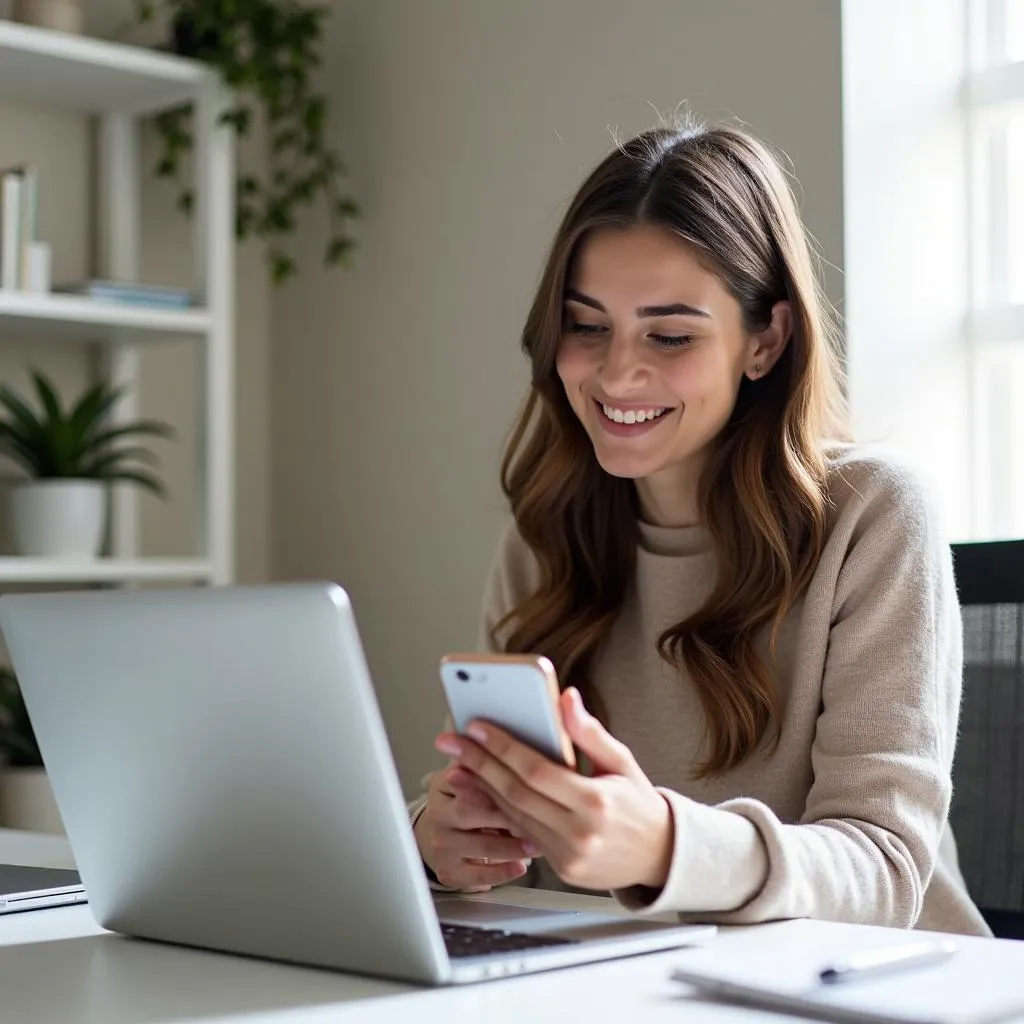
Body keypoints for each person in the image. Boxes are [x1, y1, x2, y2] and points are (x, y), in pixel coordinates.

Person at [409, 118, 989, 936]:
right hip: (638, 981)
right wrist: (437, 842)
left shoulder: (875, 514)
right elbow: (530, 846)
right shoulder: (546, 537)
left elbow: (885, 870)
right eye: (587, 325)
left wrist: (665, 847)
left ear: (766, 340)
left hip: (872, 989)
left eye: (670, 334)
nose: (617, 372)